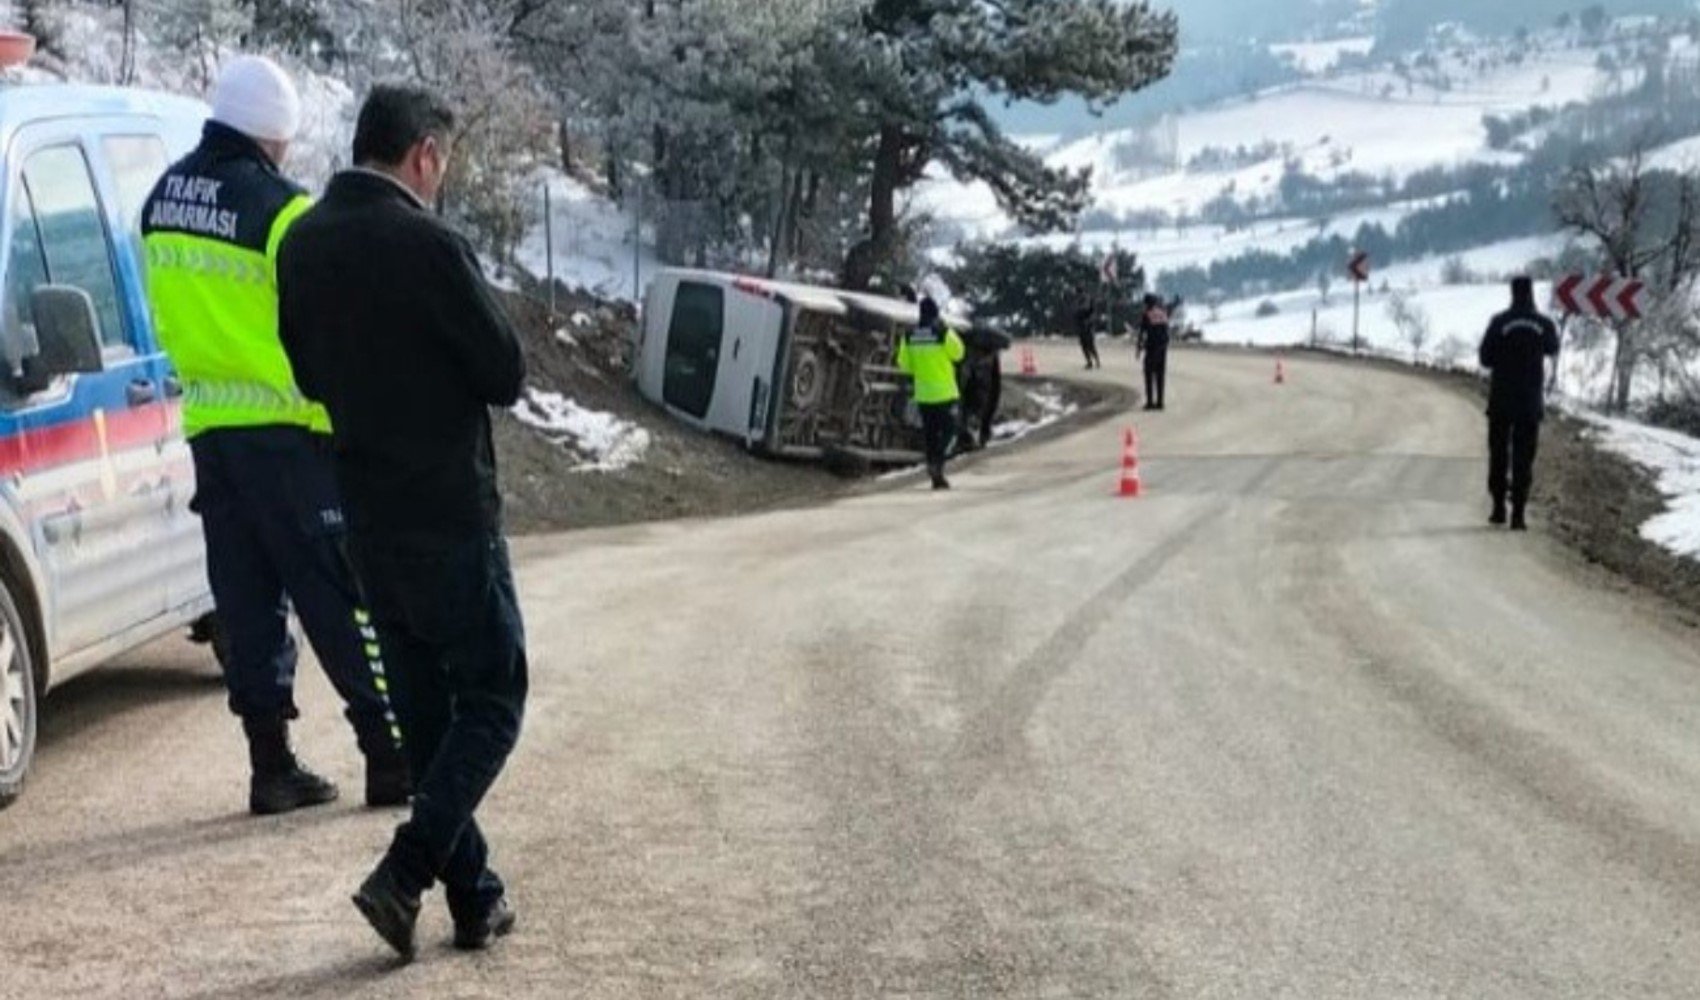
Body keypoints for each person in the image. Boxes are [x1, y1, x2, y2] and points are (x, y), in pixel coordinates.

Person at [277, 84, 528, 960]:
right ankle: (406, 872)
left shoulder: (302, 243)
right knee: (494, 699)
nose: (443, 179)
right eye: (444, 164)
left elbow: (307, 375)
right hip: (451, 514)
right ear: (424, 154)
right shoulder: (429, 243)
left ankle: (475, 897)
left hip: (368, 517)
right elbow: (504, 371)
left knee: (426, 717)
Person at [140, 55, 408, 817]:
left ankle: (271, 767)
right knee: (337, 598)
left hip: (211, 434)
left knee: (248, 600)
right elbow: (322, 323)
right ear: (274, 135)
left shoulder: (160, 200)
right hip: (289, 434)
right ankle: (389, 756)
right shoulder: (283, 211)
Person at [1478, 276, 1560, 531]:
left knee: (1499, 453)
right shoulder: (1543, 323)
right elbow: (1553, 347)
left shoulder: (1499, 322)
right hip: (1529, 400)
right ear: (1532, 294)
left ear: (1512, 294)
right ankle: (1519, 514)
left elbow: (1485, 358)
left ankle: (1498, 508)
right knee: (1524, 457)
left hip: (1501, 398)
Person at [897, 297, 966, 490]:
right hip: (945, 393)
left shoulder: (909, 335)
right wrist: (947, 330)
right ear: (936, 314)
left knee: (930, 435)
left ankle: (936, 475)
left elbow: (904, 365)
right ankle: (938, 462)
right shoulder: (942, 333)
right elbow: (959, 353)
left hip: (924, 394)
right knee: (951, 431)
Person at [1137, 293, 1172, 411]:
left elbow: (1142, 333)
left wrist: (1139, 348)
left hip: (1151, 348)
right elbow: (1167, 330)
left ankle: (1150, 402)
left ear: (1147, 304)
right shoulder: (1162, 313)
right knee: (1160, 375)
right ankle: (1160, 402)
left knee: (1149, 375)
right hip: (1162, 349)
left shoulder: (1147, 315)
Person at [1075, 296, 1101, 370]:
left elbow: (1092, 316)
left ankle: (1096, 361)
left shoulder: (1088, 311)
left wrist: (1088, 323)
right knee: (1085, 347)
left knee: (1090, 347)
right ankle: (1090, 362)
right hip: (1083, 330)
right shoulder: (1080, 310)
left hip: (1088, 330)